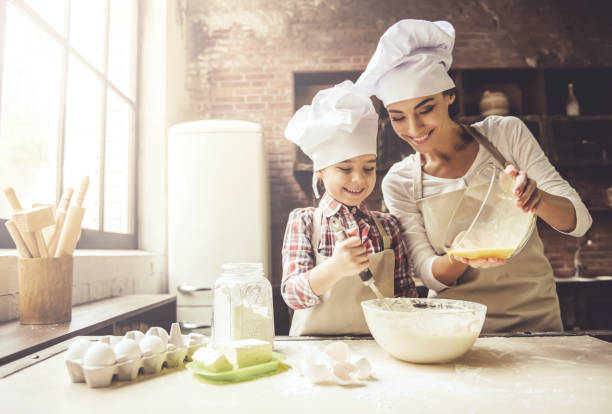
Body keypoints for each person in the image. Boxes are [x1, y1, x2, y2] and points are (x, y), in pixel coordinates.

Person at [356, 19, 592, 333]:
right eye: (398, 117)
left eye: (425, 109)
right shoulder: (399, 182)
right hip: (456, 327)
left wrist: (538, 200)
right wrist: (463, 255)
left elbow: (578, 222)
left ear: (449, 95)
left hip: (535, 319)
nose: (413, 129)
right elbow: (428, 273)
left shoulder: (505, 135)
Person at [282, 80, 417, 336]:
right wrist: (335, 268)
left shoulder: (388, 226)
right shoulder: (305, 221)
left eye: (368, 168)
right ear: (320, 170)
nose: (359, 179)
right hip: (317, 353)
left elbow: (404, 294)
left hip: (381, 348)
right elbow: (293, 296)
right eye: (345, 168)